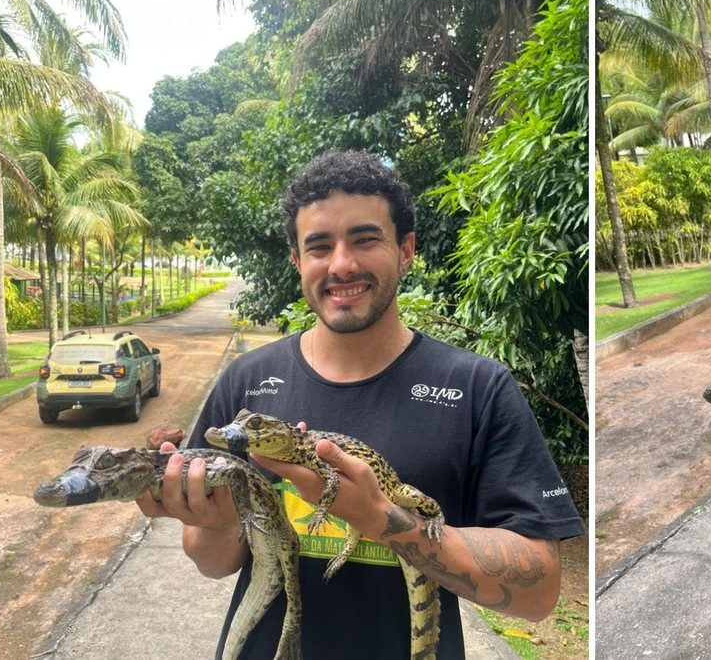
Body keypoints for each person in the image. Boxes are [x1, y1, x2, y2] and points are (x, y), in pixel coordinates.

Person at [136, 149, 585, 659]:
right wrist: (214, 521)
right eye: (320, 246)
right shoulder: (246, 381)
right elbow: (214, 562)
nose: (342, 264)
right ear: (298, 261)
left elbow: (540, 590)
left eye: (365, 239)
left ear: (406, 249)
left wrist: (378, 517)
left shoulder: (477, 387)